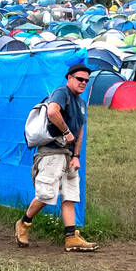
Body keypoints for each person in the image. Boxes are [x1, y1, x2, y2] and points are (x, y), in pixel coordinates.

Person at [15, 64, 98, 252]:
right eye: (80, 79)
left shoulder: (81, 103)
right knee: (46, 195)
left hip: (68, 156)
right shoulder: (62, 92)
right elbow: (52, 112)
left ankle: (71, 238)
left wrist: (77, 155)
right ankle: (23, 223)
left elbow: (80, 130)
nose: (83, 83)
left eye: (86, 80)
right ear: (69, 78)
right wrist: (67, 132)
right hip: (51, 153)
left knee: (69, 195)